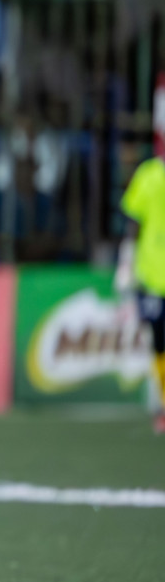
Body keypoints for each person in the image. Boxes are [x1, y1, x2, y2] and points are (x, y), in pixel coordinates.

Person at [117, 145, 165, 433]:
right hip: (153, 275)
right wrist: (126, 262)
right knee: (160, 343)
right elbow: (133, 221)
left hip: (152, 274)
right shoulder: (149, 174)